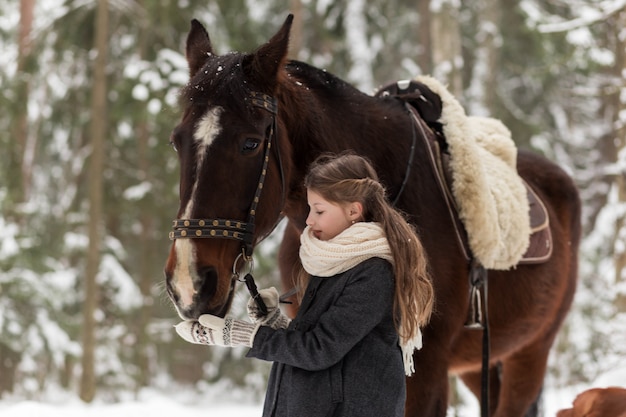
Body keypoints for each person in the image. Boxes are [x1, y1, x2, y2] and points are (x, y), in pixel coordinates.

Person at [175, 153, 435, 417]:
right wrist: (274, 322)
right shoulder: (333, 260)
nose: (310, 220)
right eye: (310, 209)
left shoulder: (375, 273)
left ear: (354, 210)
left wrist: (242, 335)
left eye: (319, 210)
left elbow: (319, 349)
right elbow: (328, 340)